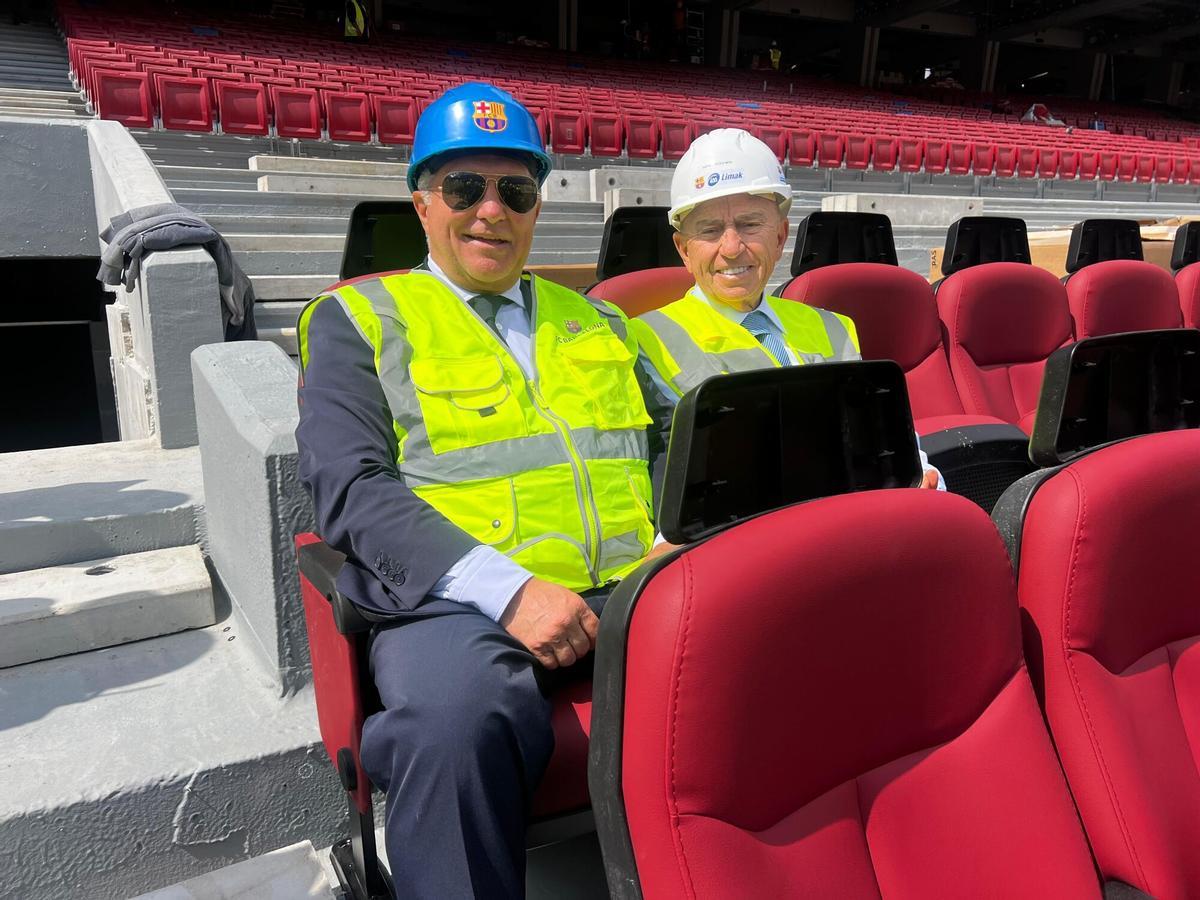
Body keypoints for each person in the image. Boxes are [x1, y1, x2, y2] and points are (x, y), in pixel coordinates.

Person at [295, 82, 671, 898]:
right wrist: (511, 593)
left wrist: (682, 532)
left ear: (538, 204)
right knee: (452, 722)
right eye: (464, 188)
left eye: (515, 190)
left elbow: (674, 440)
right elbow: (349, 488)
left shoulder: (599, 320)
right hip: (460, 603)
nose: (490, 211)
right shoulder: (358, 317)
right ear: (423, 202)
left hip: (633, 582)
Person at [632, 128, 942, 489]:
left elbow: (881, 437)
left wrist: (918, 473)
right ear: (684, 250)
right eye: (710, 230)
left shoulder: (833, 328)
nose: (731, 248)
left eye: (749, 224)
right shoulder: (643, 342)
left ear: (780, 237)